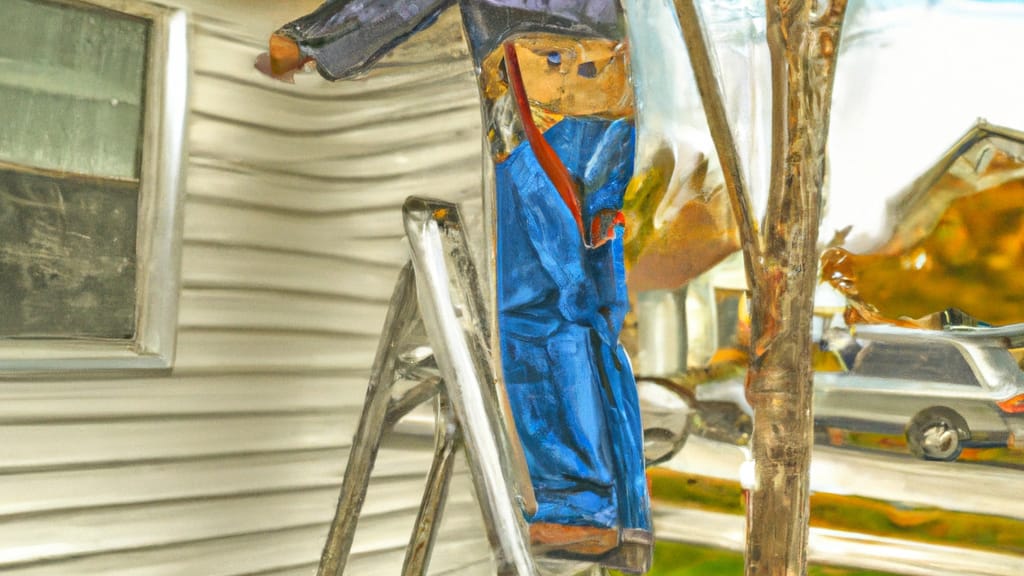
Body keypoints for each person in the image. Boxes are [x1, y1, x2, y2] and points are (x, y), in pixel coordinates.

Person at [260, 1, 651, 569]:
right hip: (610, 88)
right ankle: (623, 515)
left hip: (541, 80)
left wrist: (313, 42)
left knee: (540, 306)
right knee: (590, 305)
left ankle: (579, 510)